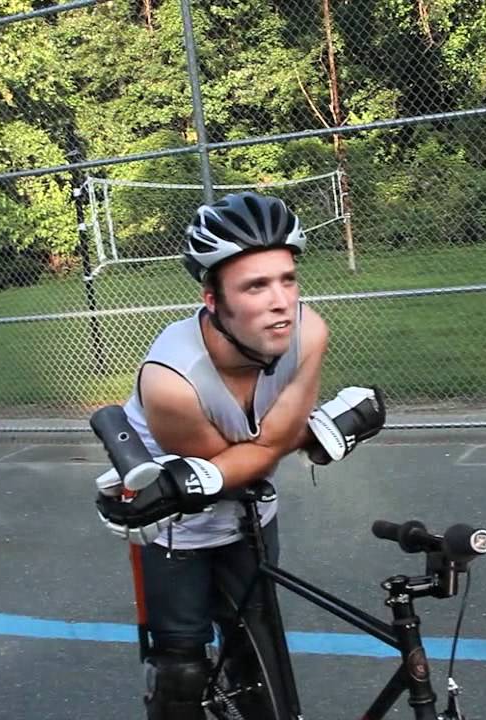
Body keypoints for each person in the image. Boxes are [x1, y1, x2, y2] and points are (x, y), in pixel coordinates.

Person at [91, 191, 386, 720]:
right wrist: (323, 432)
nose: (281, 302)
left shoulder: (309, 330)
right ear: (212, 299)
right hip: (174, 527)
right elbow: (250, 461)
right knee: (179, 672)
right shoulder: (171, 381)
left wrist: (284, 440)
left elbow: (261, 451)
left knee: (260, 661)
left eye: (287, 279)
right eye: (255, 286)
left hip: (252, 514)